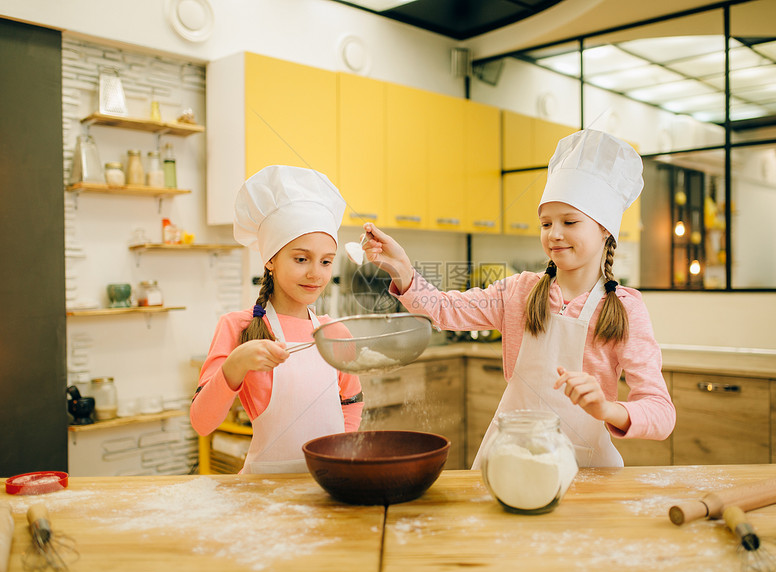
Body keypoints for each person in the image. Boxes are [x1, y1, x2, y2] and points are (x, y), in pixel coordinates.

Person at [361, 129, 674, 469]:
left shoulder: (625, 308)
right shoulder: (519, 291)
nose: (554, 234)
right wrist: (403, 269)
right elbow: (444, 310)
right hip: (510, 460)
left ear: (605, 230)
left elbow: (660, 411)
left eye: (569, 221)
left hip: (584, 470)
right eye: (545, 223)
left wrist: (607, 409)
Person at [191, 165, 363, 474]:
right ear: (270, 259)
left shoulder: (335, 332)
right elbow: (202, 423)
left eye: (326, 262)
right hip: (264, 491)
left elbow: (351, 405)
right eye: (301, 259)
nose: (316, 274)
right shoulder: (239, 327)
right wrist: (235, 364)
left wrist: (342, 459)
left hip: (330, 483)